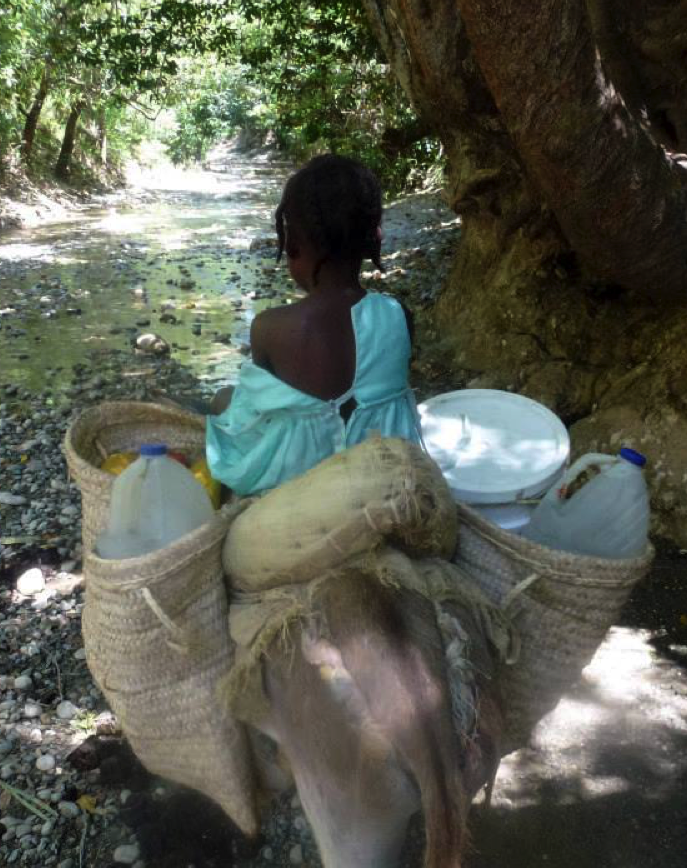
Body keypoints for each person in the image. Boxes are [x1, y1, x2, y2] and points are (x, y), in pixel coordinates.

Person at [205, 154, 421, 496]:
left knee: (223, 400)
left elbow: (254, 418)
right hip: (385, 486)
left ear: (292, 245)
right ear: (370, 240)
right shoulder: (399, 316)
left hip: (302, 497)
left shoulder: (270, 328)